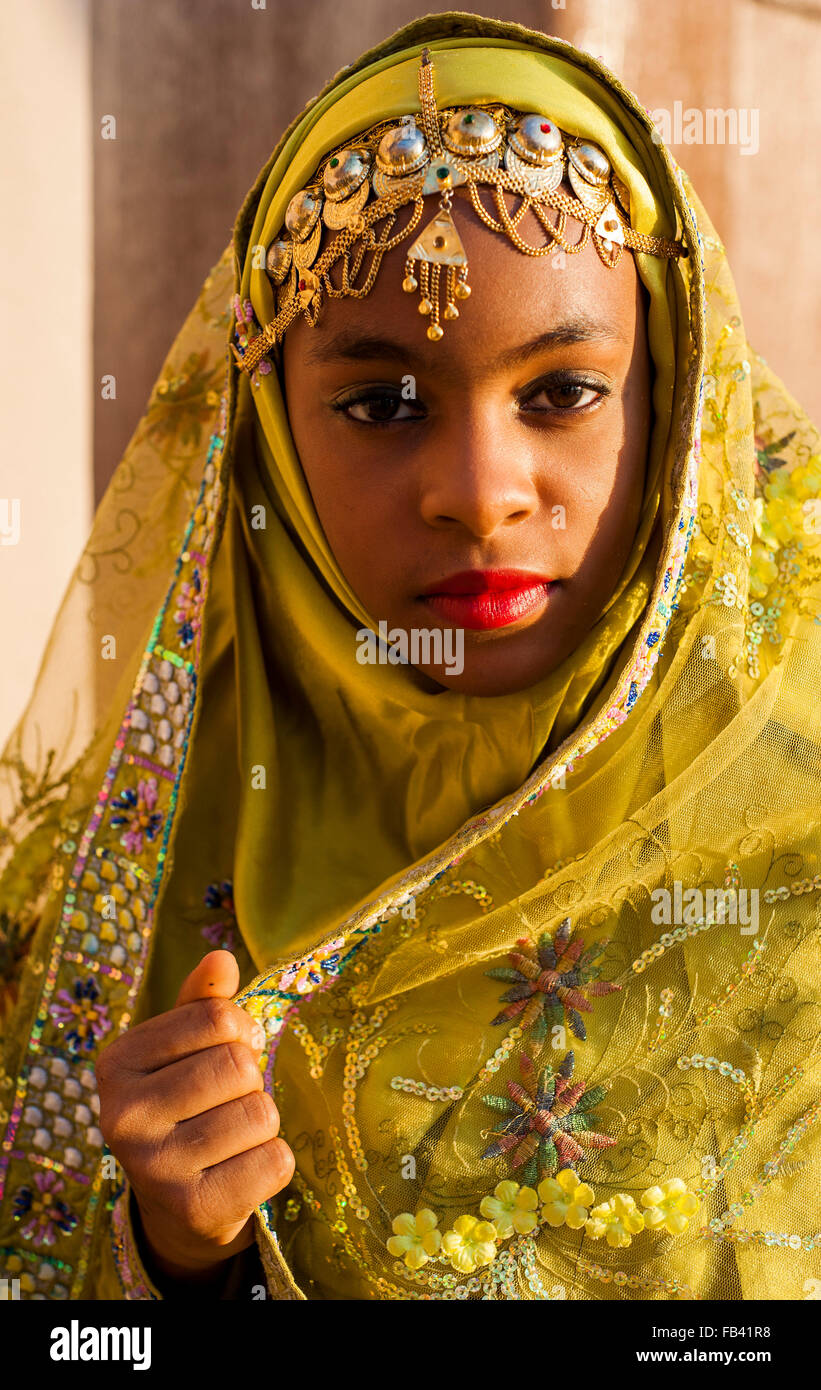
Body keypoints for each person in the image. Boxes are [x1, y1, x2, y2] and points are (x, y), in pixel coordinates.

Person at [1, 11, 819, 1302]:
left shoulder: (797, 839)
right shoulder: (110, 890)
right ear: (266, 429)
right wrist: (171, 1260)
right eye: (380, 405)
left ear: (676, 399)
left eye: (562, 392)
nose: (480, 493)